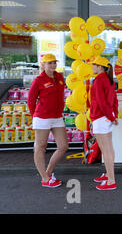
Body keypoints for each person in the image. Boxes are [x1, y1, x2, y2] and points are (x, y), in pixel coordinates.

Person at [27, 53, 68, 188]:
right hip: (42, 118)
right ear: (43, 65)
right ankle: (45, 179)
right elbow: (31, 101)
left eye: (54, 62)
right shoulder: (38, 80)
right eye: (49, 63)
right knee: (40, 147)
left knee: (63, 147)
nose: (52, 65)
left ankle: (48, 172)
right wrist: (35, 117)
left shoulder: (60, 77)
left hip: (57, 117)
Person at [90, 56, 118, 190]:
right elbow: (114, 99)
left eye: (94, 65)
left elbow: (101, 103)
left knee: (106, 150)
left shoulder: (99, 80)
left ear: (100, 67)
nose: (92, 67)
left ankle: (111, 181)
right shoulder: (109, 79)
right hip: (106, 117)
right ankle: (108, 175)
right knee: (109, 148)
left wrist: (111, 117)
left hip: (100, 117)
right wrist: (113, 115)